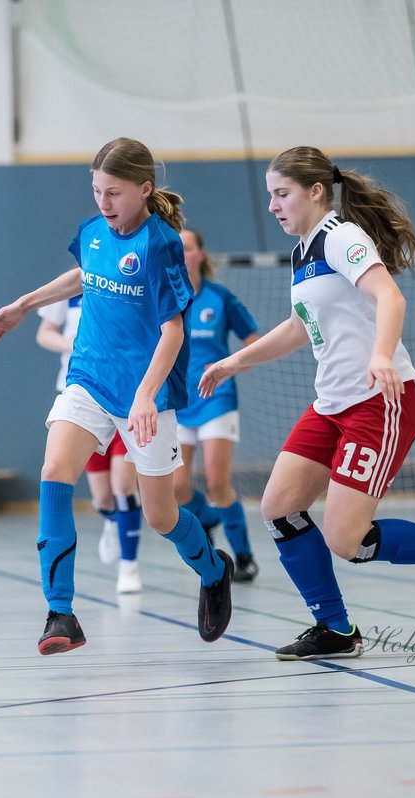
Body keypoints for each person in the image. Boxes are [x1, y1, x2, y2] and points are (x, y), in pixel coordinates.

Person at [199, 146, 415, 661]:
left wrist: (382, 355)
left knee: (349, 540)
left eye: (282, 194)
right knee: (279, 507)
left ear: (315, 191)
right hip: (332, 403)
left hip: (378, 399)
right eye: (269, 195)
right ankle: (335, 628)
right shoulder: (302, 253)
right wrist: (236, 362)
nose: (273, 206)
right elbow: (299, 327)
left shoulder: (341, 237)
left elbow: (391, 297)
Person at [0, 137, 235, 656]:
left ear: (144, 189)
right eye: (96, 190)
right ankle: (61, 613)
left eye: (113, 192)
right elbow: (84, 275)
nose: (103, 202)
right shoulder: (93, 231)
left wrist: (144, 397)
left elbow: (172, 333)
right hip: (88, 379)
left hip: (145, 396)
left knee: (160, 516)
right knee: (54, 473)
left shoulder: (161, 245)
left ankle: (213, 569)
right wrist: (24, 305)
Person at [36, 295, 144, 592]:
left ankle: (129, 566)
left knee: (124, 485)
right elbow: (44, 333)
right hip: (81, 397)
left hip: (124, 396)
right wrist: (69, 343)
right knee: (102, 498)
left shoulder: (122, 281)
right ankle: (111, 520)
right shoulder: (69, 288)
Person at [172, 228, 262, 582]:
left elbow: (255, 342)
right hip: (179, 401)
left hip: (217, 400)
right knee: (176, 488)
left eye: (188, 248)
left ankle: (243, 557)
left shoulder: (220, 298)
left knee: (216, 480)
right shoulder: (166, 299)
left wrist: (231, 366)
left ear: (200, 254)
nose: (181, 254)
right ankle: (207, 519)